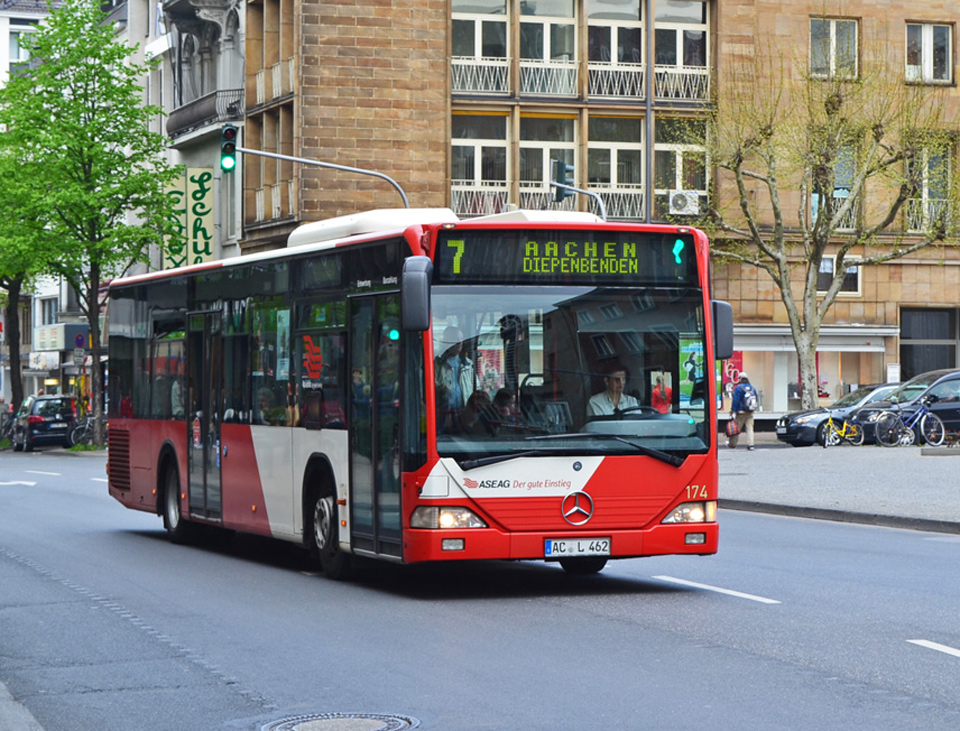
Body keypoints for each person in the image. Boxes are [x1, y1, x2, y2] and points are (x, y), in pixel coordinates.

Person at [435, 325, 476, 413]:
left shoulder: (468, 364)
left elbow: (475, 387)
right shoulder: (437, 364)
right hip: (442, 412)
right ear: (446, 341)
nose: (459, 343)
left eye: (461, 339)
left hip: (464, 413)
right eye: (456, 339)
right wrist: (440, 389)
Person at [729, 372, 757, 450]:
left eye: (739, 378)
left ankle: (732, 444)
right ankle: (751, 444)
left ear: (741, 378)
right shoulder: (752, 387)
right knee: (750, 428)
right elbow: (756, 399)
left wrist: (733, 410)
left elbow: (736, 400)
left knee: (736, 428)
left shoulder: (738, 388)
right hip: (750, 412)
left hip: (741, 412)